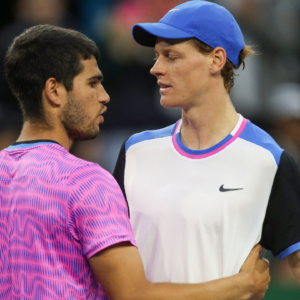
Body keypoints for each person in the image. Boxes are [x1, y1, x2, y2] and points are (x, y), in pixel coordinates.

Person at [0, 24, 269, 300]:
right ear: (54, 91)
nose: (104, 96)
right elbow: (135, 295)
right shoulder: (84, 182)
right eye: (92, 83)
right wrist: (243, 285)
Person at [113, 0, 300, 287]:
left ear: (216, 60)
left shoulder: (269, 161)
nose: (156, 68)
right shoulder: (135, 151)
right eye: (156, 56)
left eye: (171, 57)